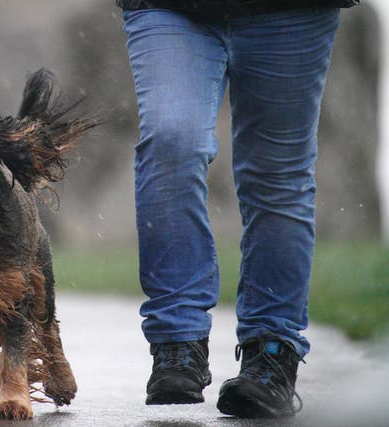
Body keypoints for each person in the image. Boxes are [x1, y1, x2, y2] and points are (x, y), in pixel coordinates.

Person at [117, 0, 359, 418]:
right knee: (171, 142)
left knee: (277, 175)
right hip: (169, 6)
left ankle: (271, 352)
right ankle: (178, 339)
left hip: (294, 13)